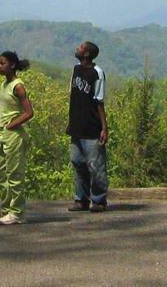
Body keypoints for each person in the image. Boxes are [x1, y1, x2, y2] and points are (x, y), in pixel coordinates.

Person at [67, 40, 109, 213]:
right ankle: (81, 199)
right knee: (78, 163)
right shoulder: (76, 69)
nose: (77, 48)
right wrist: (70, 121)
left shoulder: (97, 73)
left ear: (87, 54)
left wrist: (104, 128)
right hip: (77, 126)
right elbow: (73, 96)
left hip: (92, 128)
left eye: (80, 47)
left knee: (95, 166)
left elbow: (99, 102)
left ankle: (99, 200)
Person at [0, 50, 33, 225]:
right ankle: (6, 208)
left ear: (13, 65)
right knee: (2, 174)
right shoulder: (4, 85)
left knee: (14, 174)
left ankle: (17, 212)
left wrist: (11, 125)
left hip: (15, 135)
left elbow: (29, 112)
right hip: (3, 135)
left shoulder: (18, 86)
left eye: (3, 63)